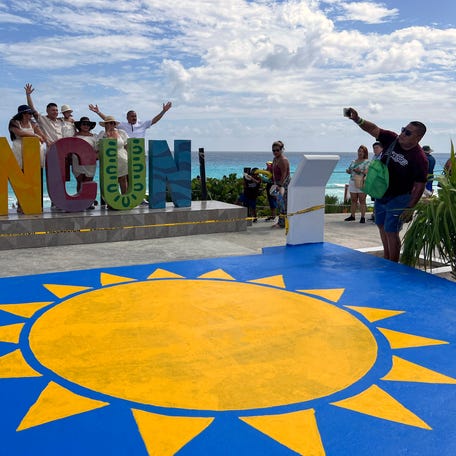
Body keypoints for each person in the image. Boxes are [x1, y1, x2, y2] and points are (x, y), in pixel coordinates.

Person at [345, 107, 428, 262]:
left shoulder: (419, 158)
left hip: (399, 198)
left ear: (418, 138)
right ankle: (387, 258)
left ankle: (393, 265)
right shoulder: (392, 139)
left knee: (391, 231)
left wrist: (410, 208)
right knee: (381, 226)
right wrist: (358, 119)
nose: (402, 134)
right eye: (404, 129)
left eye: (408, 133)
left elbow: (419, 185)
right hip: (381, 193)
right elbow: (374, 129)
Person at [8, 105, 47, 213]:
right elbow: (20, 133)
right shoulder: (14, 122)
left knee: (34, 177)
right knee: (21, 177)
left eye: (30, 113)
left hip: (33, 151)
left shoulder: (33, 124)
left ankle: (33, 203)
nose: (29, 115)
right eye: (27, 113)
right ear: (22, 114)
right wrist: (35, 135)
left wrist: (44, 139)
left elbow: (42, 135)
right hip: (19, 149)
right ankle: (21, 204)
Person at [88, 102, 172, 139]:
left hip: (139, 151)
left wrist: (164, 111)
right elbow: (108, 121)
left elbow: (154, 120)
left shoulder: (142, 124)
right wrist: (98, 112)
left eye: (135, 116)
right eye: (132, 116)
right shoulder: (122, 125)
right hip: (127, 151)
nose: (134, 118)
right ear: (127, 118)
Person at [97, 115, 129, 195]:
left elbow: (127, 145)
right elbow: (98, 147)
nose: (110, 125)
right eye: (107, 123)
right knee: (111, 180)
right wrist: (107, 135)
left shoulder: (121, 132)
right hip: (109, 161)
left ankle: (124, 198)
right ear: (105, 124)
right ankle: (112, 201)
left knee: (123, 179)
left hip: (122, 159)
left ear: (115, 124)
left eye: (112, 123)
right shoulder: (102, 134)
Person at [24, 83, 63, 149]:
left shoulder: (60, 121)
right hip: (50, 148)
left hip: (62, 148)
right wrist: (28, 95)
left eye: (56, 110)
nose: (55, 112)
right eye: (53, 110)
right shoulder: (42, 119)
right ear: (47, 111)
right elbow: (32, 109)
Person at [73, 117, 98, 208]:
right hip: (77, 161)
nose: (86, 126)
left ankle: (88, 202)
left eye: (88, 124)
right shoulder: (74, 136)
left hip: (89, 162)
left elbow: (97, 150)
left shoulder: (94, 137)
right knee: (80, 181)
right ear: (80, 125)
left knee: (88, 182)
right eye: (84, 124)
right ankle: (80, 201)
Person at [345, 145, 370, 223]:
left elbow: (367, 172)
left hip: (361, 181)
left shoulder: (367, 162)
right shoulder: (353, 161)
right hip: (352, 181)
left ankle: (362, 217)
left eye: (362, 151)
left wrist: (360, 171)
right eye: (359, 151)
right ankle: (352, 216)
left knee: (362, 200)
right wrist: (348, 171)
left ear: (365, 153)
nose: (360, 153)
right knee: (353, 200)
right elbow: (350, 170)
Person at [271, 141, 290, 228]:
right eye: (273, 150)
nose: (275, 152)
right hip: (277, 183)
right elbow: (274, 173)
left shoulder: (283, 160)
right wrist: (275, 184)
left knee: (283, 204)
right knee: (279, 203)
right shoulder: (275, 159)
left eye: (277, 150)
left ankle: (282, 223)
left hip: (284, 184)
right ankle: (280, 222)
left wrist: (280, 186)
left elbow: (284, 174)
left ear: (282, 150)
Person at [369, 141, 383, 221]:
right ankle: (375, 215)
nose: (375, 150)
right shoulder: (374, 156)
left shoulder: (383, 156)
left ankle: (377, 216)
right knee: (376, 199)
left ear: (382, 148)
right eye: (374, 148)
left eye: (377, 148)